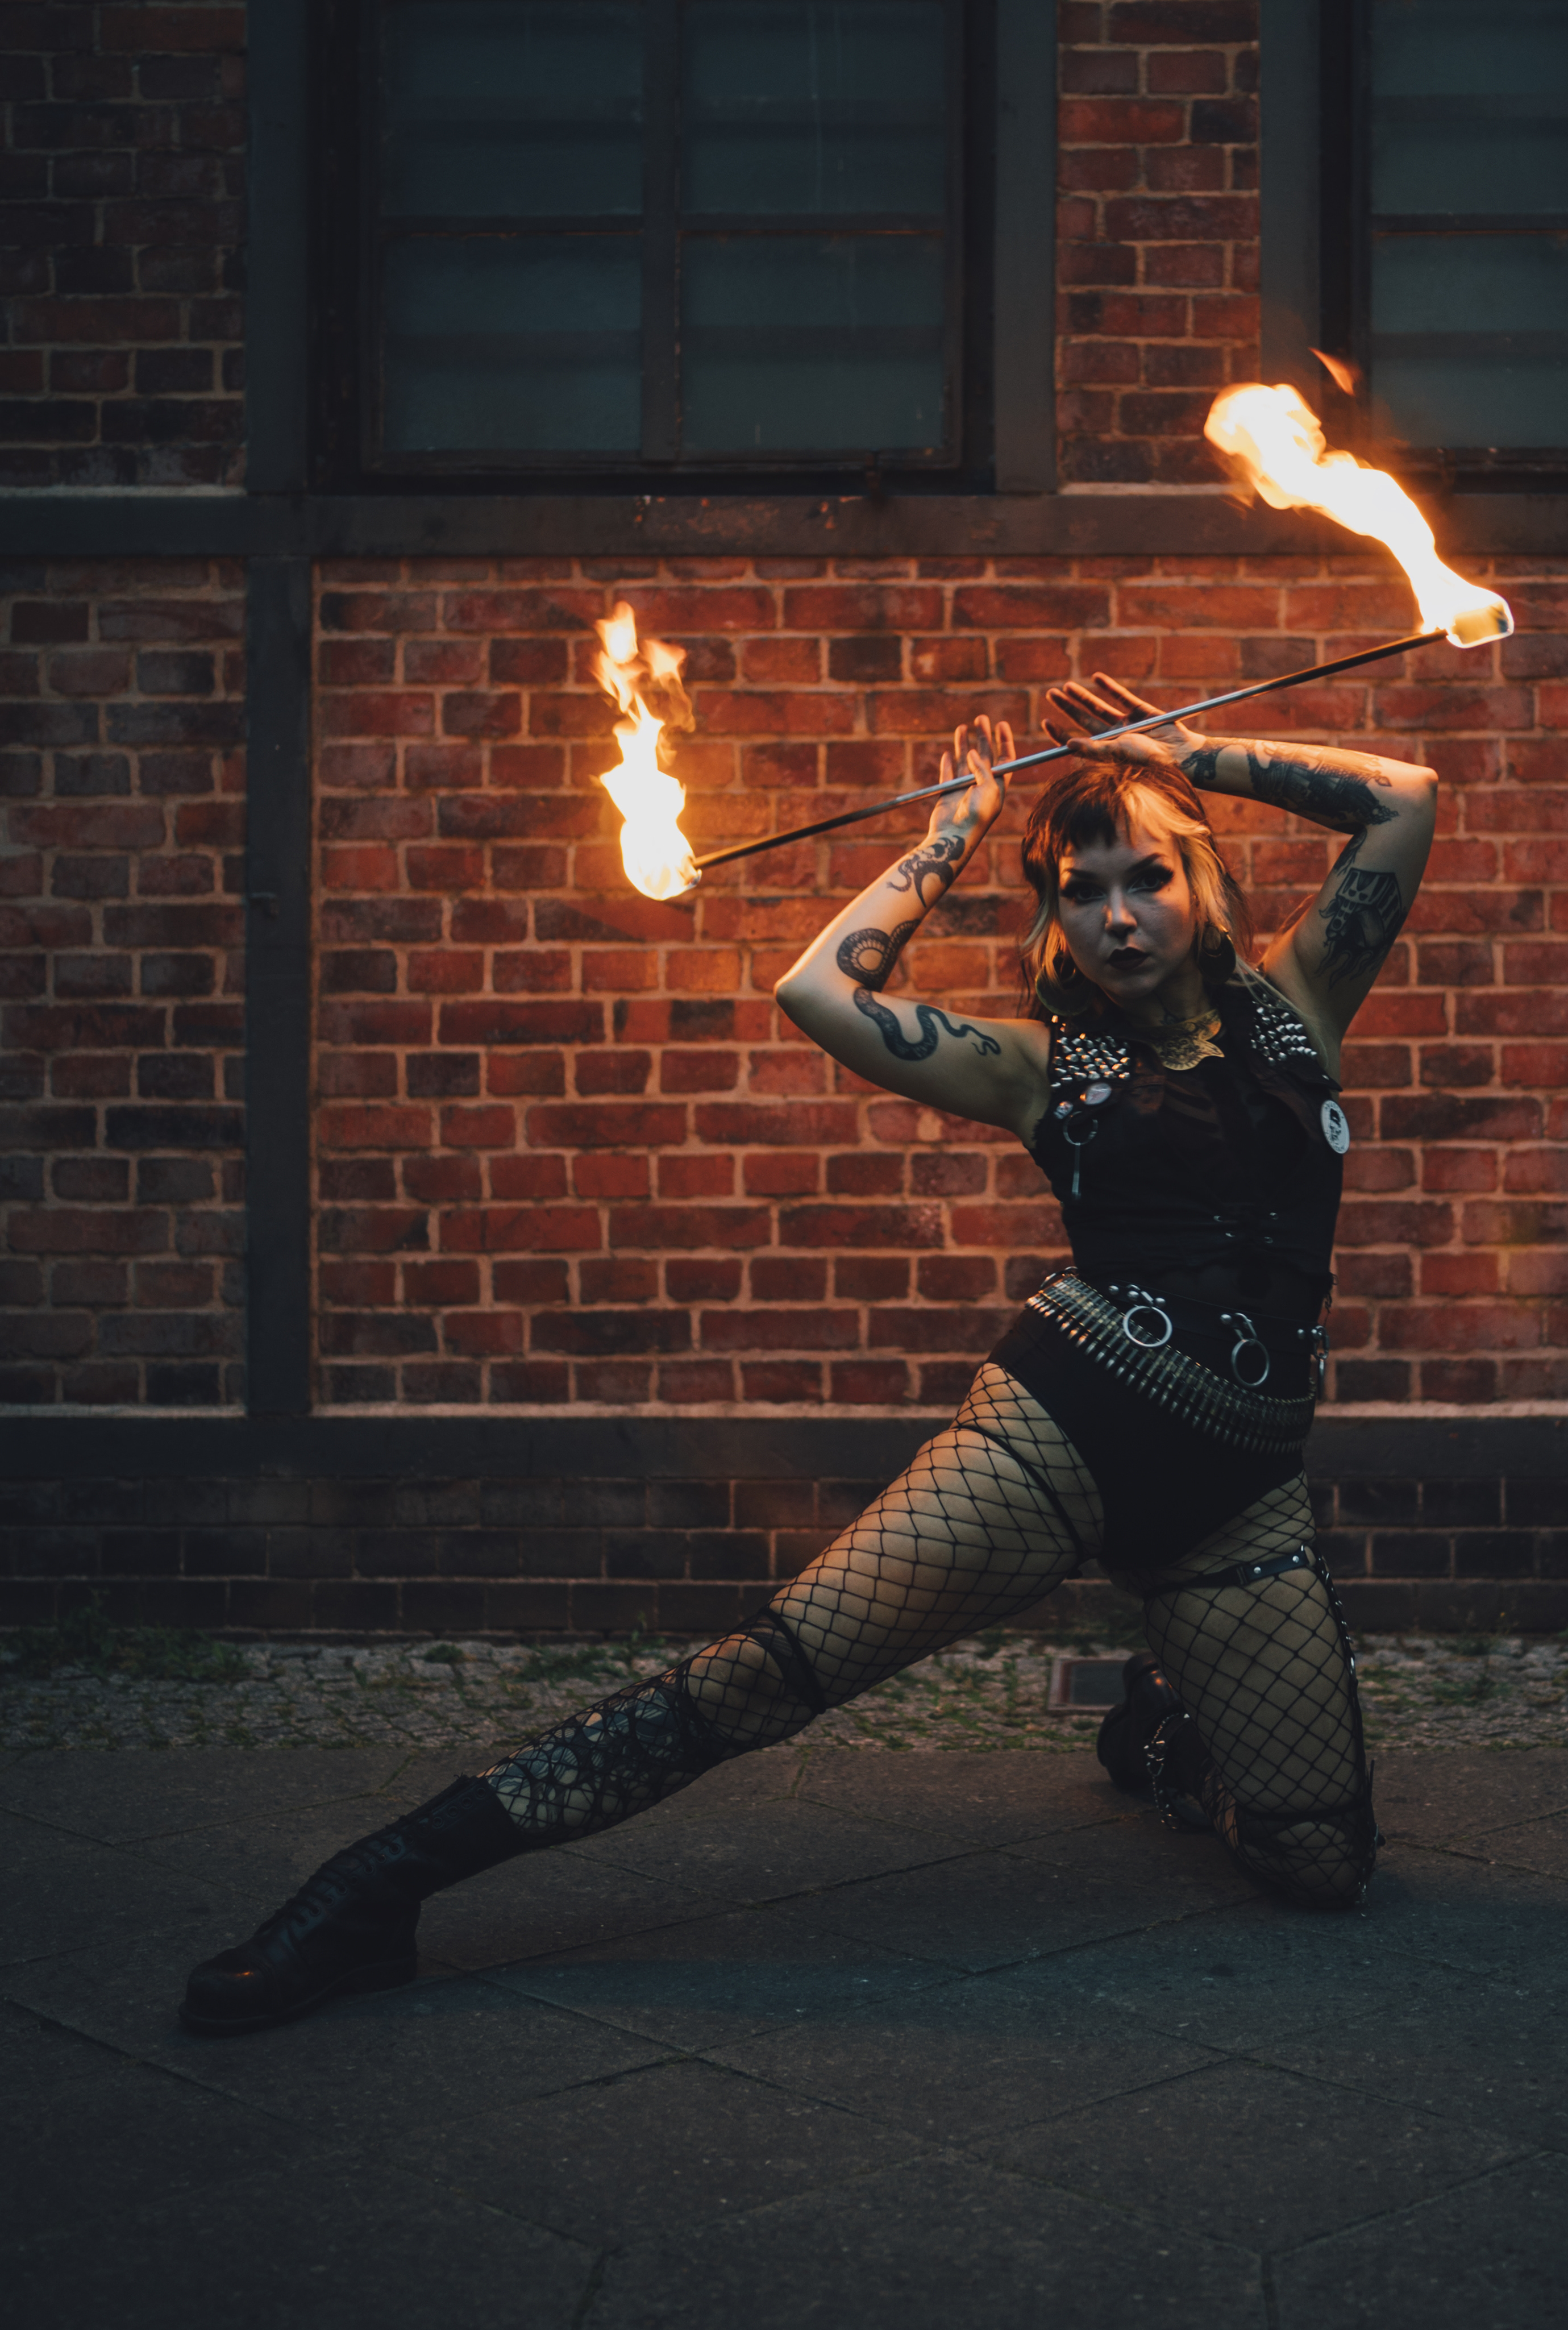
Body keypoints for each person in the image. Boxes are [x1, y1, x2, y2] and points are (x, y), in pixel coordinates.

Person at [180, 676, 1439, 2033]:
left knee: (1323, 1865)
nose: (1120, 914)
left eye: (1147, 878)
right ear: (1056, 920)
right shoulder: (1036, 1067)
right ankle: (375, 1890)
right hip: (1058, 1446)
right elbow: (818, 988)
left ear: (1202, 883)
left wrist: (1194, 754)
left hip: (1240, 1488)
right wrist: (952, 833)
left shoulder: (1302, 1005)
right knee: (770, 1676)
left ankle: (1175, 1720)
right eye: (1083, 890)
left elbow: (1402, 799)